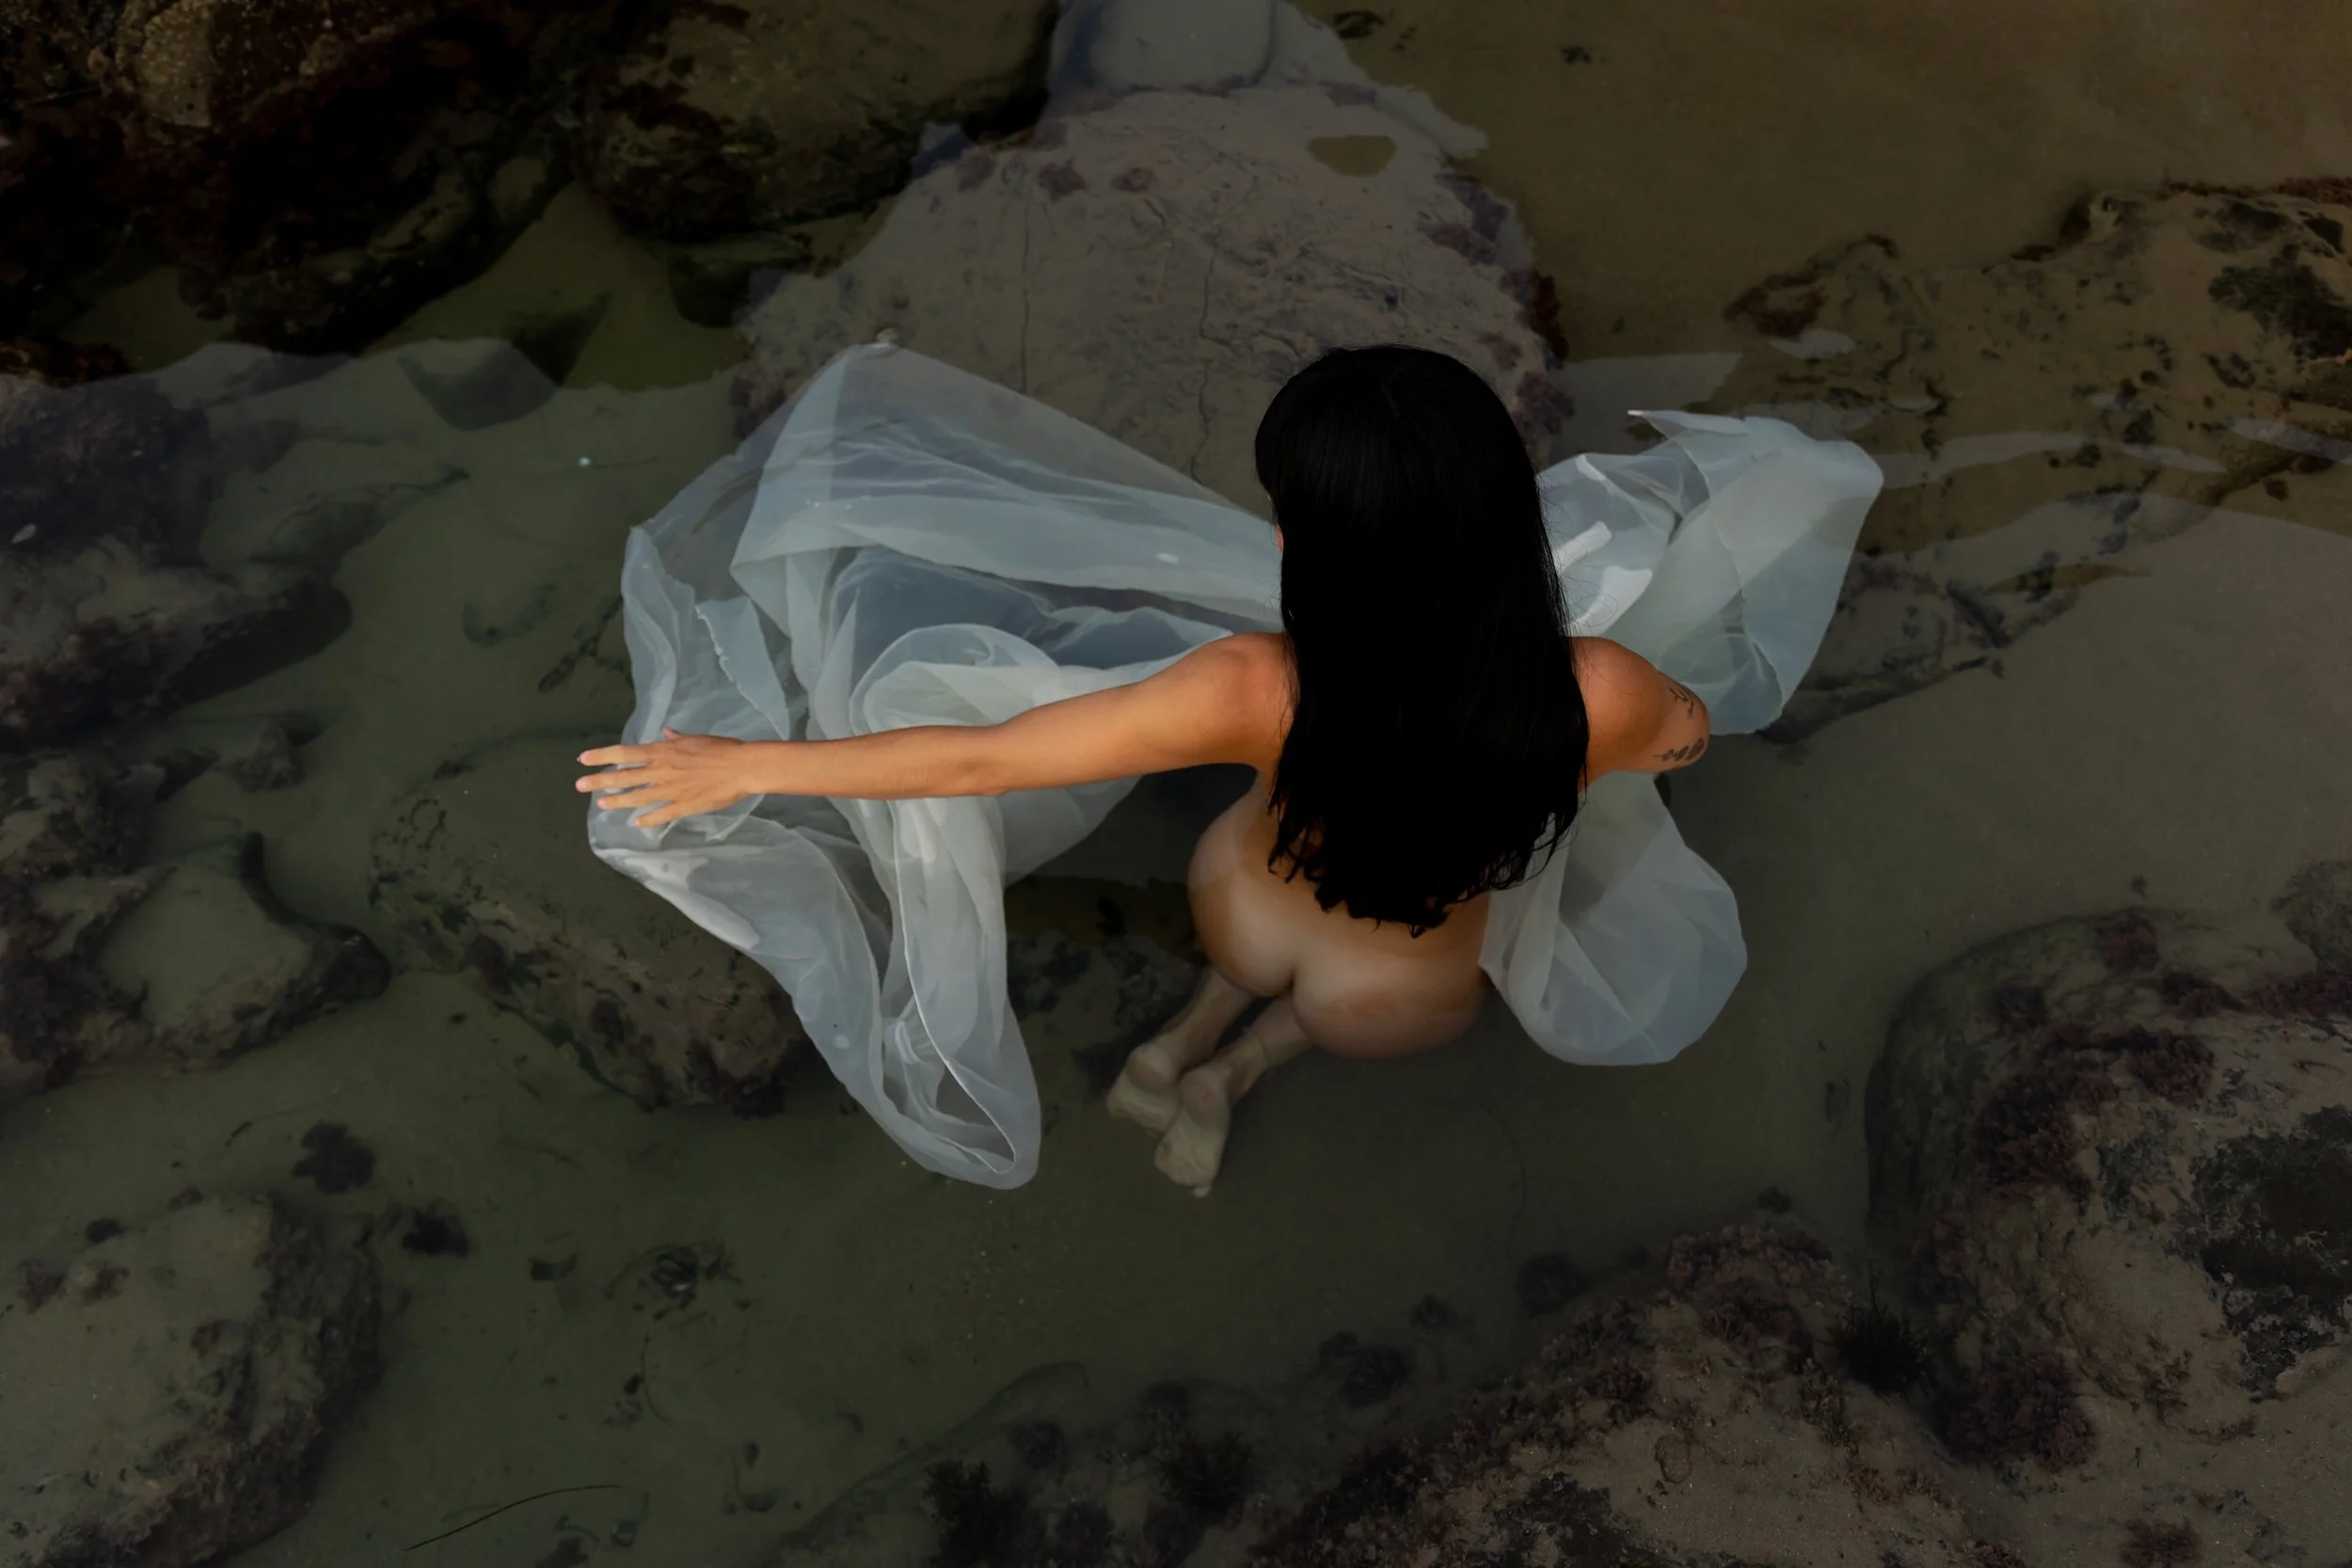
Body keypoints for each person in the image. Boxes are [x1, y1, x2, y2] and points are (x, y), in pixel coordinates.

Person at [578, 340, 1881, 1192]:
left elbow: (983, 757)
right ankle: (1230, 1073)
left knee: (1244, 959)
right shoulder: (1593, 691)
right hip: (1399, 976)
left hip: (1244, 893)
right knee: (1321, 1017)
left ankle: (1185, 1029)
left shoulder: (1252, 687)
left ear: (1302, 546)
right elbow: (1690, 731)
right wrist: (1639, 726)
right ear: (1502, 519)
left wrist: (747, 764)